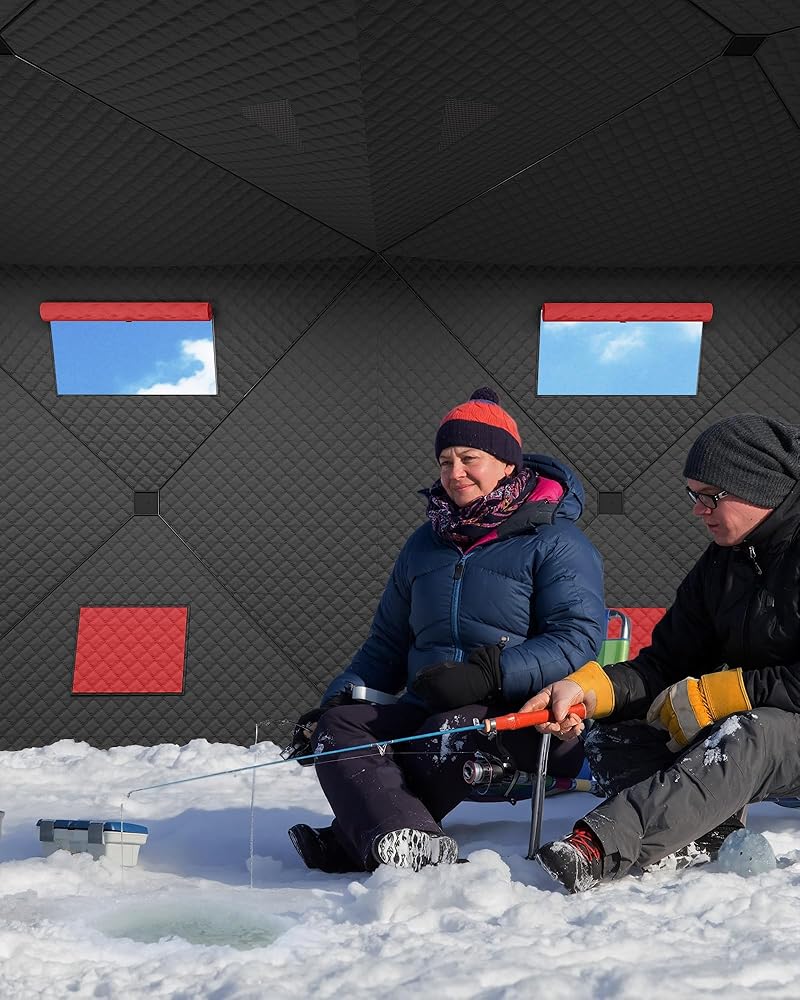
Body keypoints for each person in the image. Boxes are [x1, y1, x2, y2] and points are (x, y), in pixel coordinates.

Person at [287, 387, 605, 873]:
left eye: (469, 458)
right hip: (427, 706)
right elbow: (387, 643)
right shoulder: (424, 545)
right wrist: (337, 700)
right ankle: (397, 838)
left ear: (506, 464)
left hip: (525, 715)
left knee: (450, 732)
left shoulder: (556, 541)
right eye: (445, 461)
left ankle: (357, 839)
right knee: (342, 729)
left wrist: (491, 674)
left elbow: (577, 638)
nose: (455, 473)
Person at [524, 413, 800, 892]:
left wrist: (723, 694)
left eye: (710, 496)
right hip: (756, 724)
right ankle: (704, 830)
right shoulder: (722, 563)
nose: (699, 510)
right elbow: (668, 661)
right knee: (616, 736)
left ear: (759, 487)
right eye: (694, 496)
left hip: (770, 730)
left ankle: (602, 845)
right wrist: (590, 689)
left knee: (749, 733)